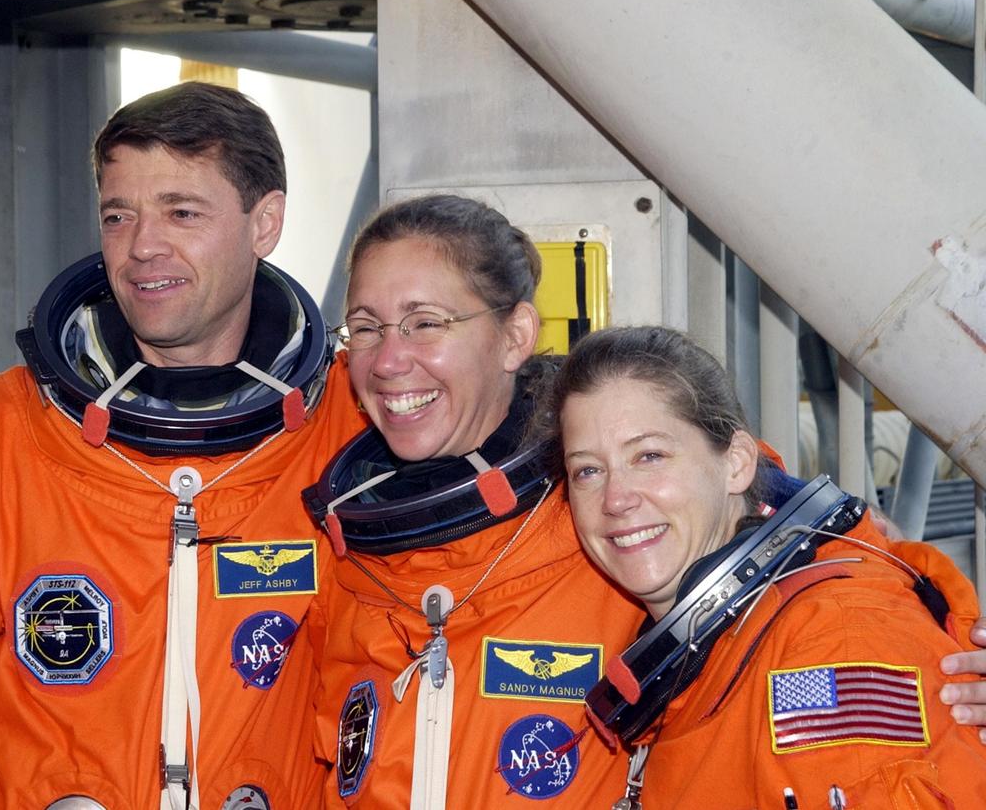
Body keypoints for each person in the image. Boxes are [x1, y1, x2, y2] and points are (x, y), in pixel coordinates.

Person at [300, 195, 986, 810]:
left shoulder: (814, 617)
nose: (389, 360)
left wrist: (914, 627)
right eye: (588, 470)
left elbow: (794, 533)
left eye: (425, 322)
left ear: (515, 336)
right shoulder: (350, 555)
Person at [0, 82, 365, 809]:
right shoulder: (1, 434)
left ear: (264, 222)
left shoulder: (349, 436)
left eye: (182, 211)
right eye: (119, 215)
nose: (142, 246)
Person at [555, 325, 986, 808]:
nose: (615, 499)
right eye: (588, 471)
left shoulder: (834, 638)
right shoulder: (706, 652)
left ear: (737, 463)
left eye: (649, 456)